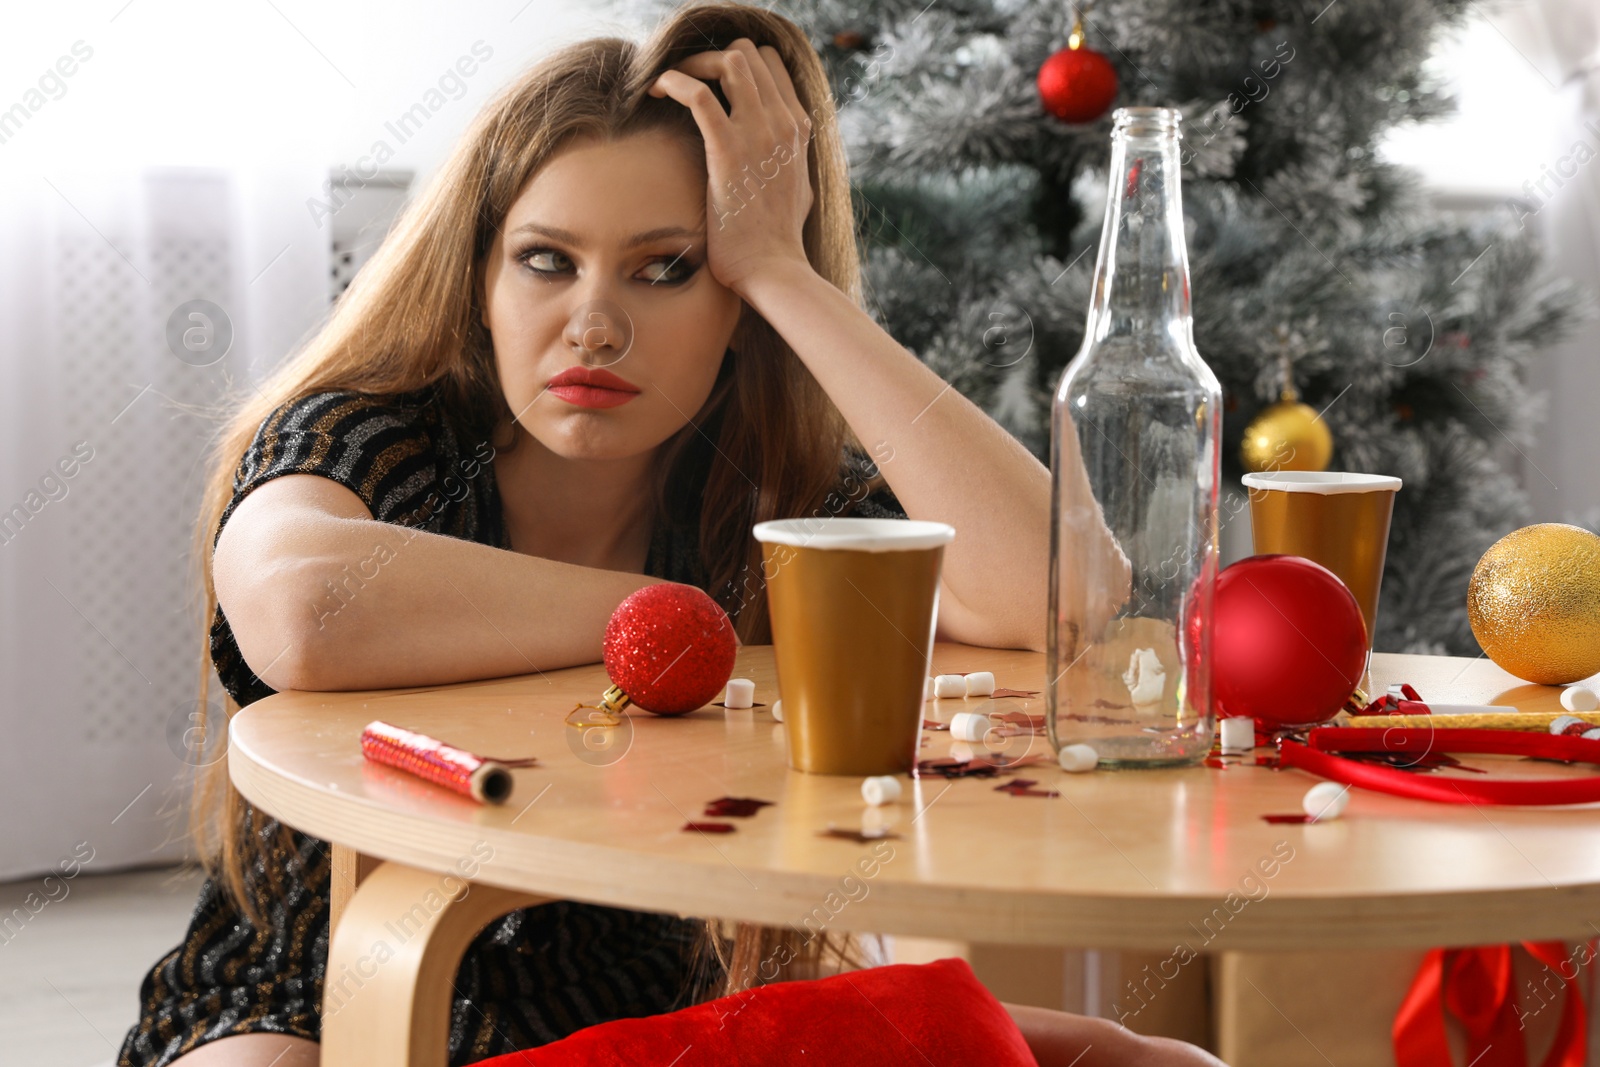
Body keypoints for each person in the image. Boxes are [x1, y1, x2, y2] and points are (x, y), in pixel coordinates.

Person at [116, 3, 1201, 1065]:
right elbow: (305, 613)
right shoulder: (376, 435)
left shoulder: (766, 493)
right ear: (480, 279)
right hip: (319, 982)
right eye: (546, 259)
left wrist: (784, 268)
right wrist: (691, 631)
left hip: (641, 1020)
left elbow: (1069, 601)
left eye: (666, 267)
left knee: (1145, 1058)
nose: (593, 322)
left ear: (734, 309)